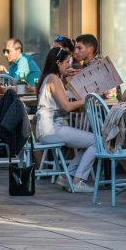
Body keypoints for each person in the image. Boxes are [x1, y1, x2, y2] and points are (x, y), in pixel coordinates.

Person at [34, 47, 93, 193]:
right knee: (97, 141)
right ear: (58, 63)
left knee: (89, 142)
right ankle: (77, 180)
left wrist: (68, 77)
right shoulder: (53, 79)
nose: (69, 65)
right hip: (52, 129)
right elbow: (66, 106)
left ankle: (66, 177)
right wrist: (87, 99)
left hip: (48, 129)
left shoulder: (53, 77)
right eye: (67, 62)